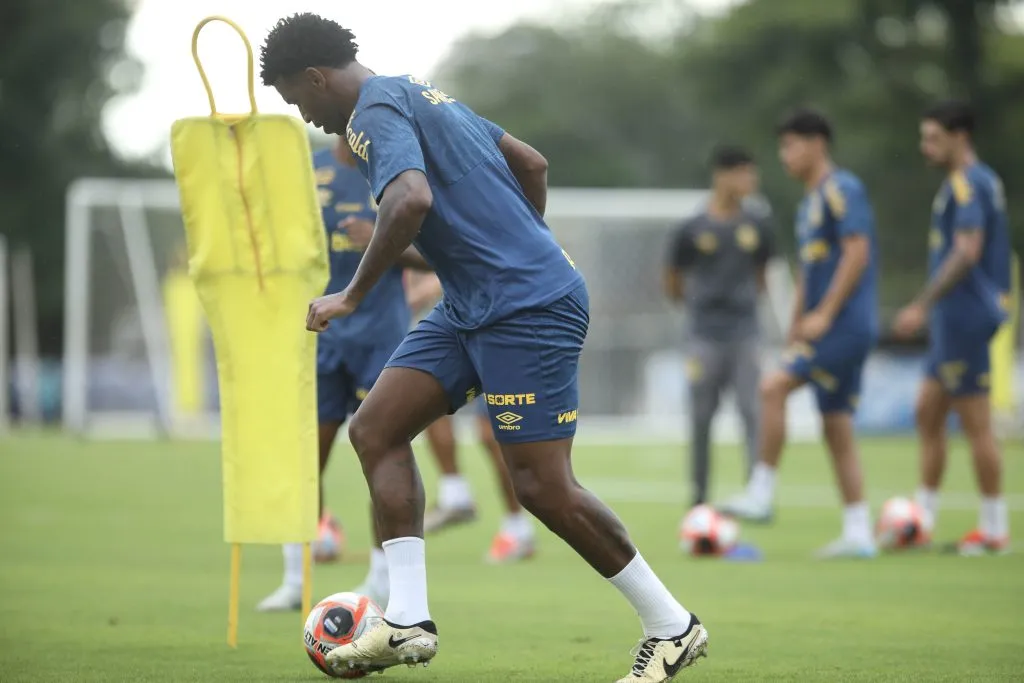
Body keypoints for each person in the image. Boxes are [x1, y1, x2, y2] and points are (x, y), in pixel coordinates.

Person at [261, 13, 707, 681]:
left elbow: (408, 199)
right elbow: (531, 161)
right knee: (376, 428)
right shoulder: (417, 90)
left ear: (316, 77)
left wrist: (351, 294)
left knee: (542, 486)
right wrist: (506, 240)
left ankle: (672, 625)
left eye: (298, 100)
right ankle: (408, 617)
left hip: (529, 307)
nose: (310, 117)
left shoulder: (369, 114)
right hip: (473, 304)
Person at [257, 135, 428, 612]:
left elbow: (435, 254)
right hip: (318, 336)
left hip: (380, 337)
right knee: (304, 459)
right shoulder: (305, 174)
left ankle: (382, 578)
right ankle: (295, 578)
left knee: (385, 456)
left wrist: (380, 236)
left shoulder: (397, 176)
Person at [718, 108, 879, 559]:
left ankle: (761, 492)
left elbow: (857, 252)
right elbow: (809, 271)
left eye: (790, 145)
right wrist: (795, 323)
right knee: (836, 425)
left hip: (844, 325)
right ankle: (859, 531)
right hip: (823, 326)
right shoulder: (810, 203)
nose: (783, 155)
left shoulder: (842, 189)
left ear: (817, 144)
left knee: (773, 388)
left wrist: (825, 314)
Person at [892, 100, 1011, 555]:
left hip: (964, 315)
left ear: (959, 136)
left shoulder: (967, 184)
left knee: (976, 422)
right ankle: (921, 517)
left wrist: (922, 304)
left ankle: (994, 528)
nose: (925, 147)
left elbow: (967, 250)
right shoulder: (971, 182)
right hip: (954, 317)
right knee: (928, 410)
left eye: (933, 138)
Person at [663, 145, 773, 511]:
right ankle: (699, 497)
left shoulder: (757, 224)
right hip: (703, 334)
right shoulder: (693, 227)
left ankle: (757, 495)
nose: (751, 181)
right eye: (744, 173)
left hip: (745, 333)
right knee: (700, 416)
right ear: (722, 176)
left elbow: (762, 276)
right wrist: (696, 307)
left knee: (752, 411)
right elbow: (672, 277)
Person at [409, 272, 537, 563]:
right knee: (421, 396)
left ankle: (518, 527)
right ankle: (455, 493)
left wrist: (430, 286)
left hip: (502, 325)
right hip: (457, 324)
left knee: (493, 433)